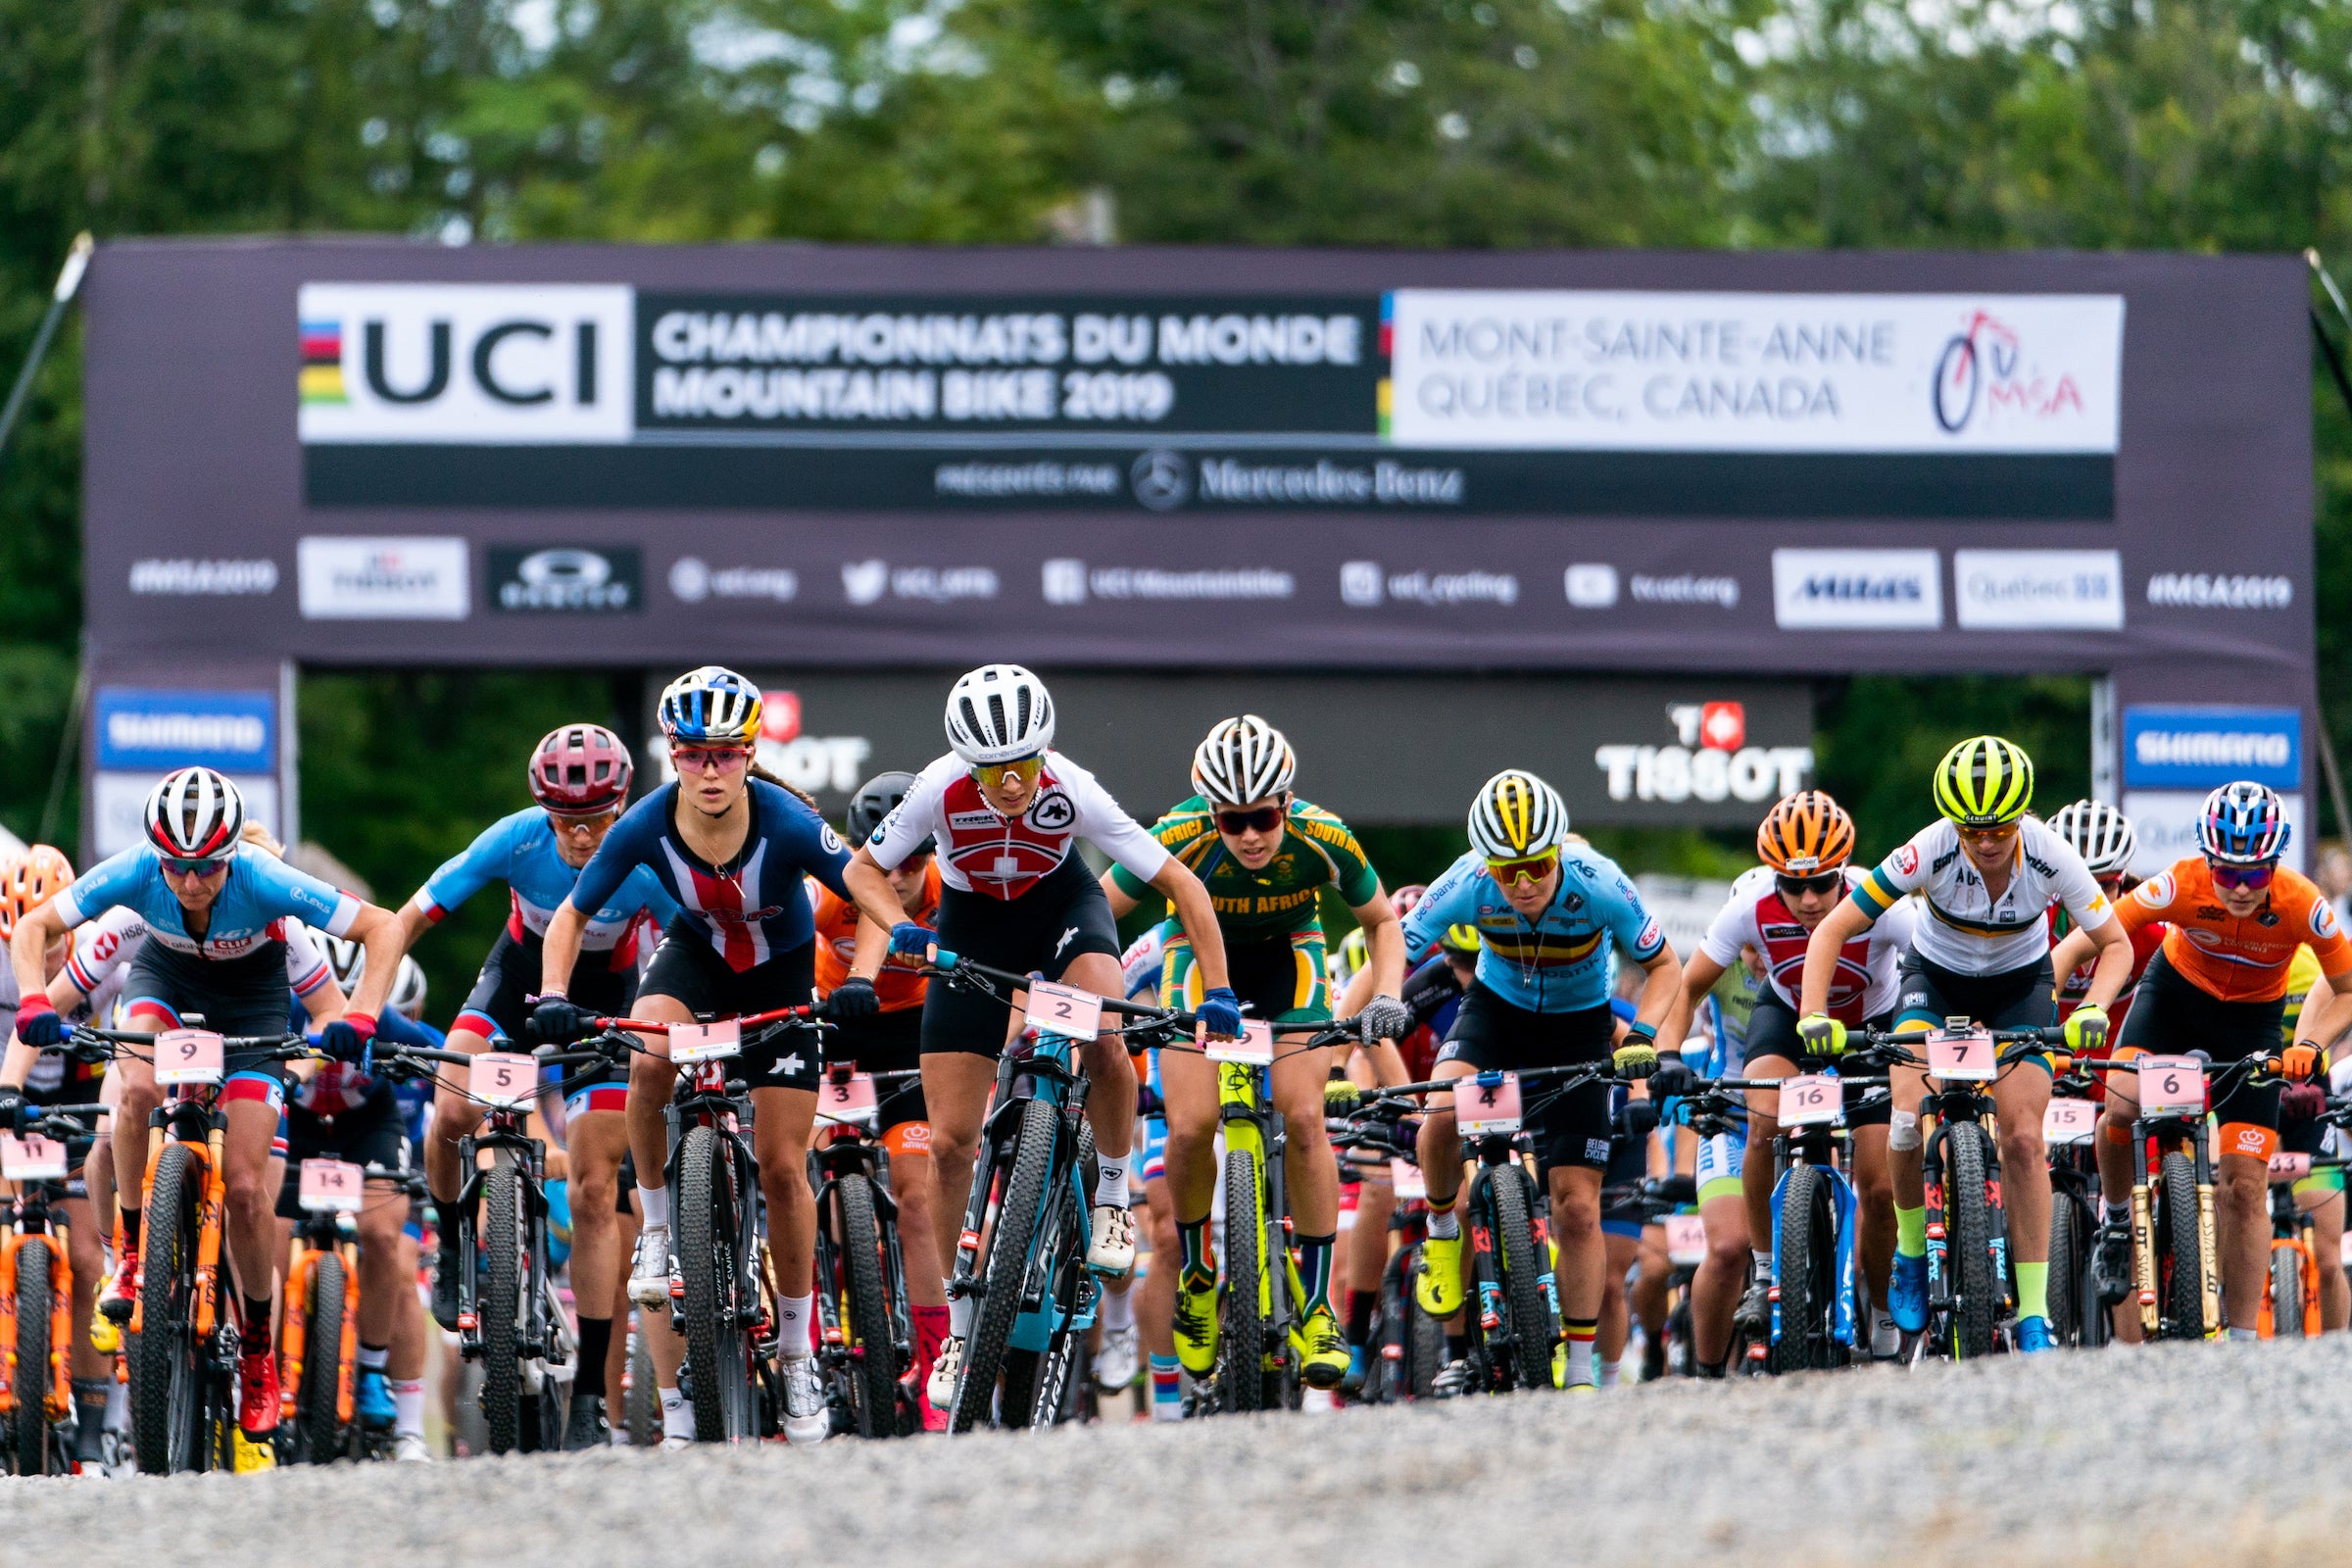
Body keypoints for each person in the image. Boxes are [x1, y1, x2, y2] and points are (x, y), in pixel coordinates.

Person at [841, 663, 1239, 1412]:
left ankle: (1114, 1196)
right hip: (970, 927)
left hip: (1062, 913)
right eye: (995, 771)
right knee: (952, 1142)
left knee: (1108, 1036)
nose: (1013, 784)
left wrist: (1217, 991)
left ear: (1043, 755)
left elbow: (1183, 883)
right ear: (968, 763)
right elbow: (862, 869)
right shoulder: (937, 788)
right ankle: (961, 1329)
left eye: (1023, 765)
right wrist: (900, 929)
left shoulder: (1071, 786)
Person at [530, 668, 912, 1446]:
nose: (710, 772)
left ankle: (800, 1350)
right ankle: (662, 1227)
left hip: (780, 972)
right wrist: (551, 992)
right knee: (645, 1055)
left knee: (780, 1165)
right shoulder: (644, 822)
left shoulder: (790, 819)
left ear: (748, 755)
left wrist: (863, 979)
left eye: (726, 755)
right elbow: (571, 917)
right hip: (698, 961)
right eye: (694, 755)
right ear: (673, 755)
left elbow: (878, 903)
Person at [7, 767, 405, 1468]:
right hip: (167, 979)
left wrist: (359, 1017)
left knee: (250, 1187)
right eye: (178, 868)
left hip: (252, 996)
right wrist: (36, 1001)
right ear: (157, 856)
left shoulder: (265, 883)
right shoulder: (135, 877)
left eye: (207, 869)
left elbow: (382, 927)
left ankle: (256, 1349)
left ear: (231, 857)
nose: (191, 882)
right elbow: (37, 927)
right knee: (130, 1094)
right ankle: (132, 1254)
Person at [1101, 714, 1413, 1390]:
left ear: (1287, 805)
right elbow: (1101, 910)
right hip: (1198, 965)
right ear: (1209, 810)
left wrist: (1385, 993)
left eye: (1264, 818)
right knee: (1188, 1127)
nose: (1248, 835)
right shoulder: (1177, 833)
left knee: (1304, 1120)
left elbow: (1382, 921)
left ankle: (1320, 1304)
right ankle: (1195, 1275)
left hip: (1289, 961)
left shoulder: (1324, 834)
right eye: (1232, 820)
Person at [390, 722, 676, 1450]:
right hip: (516, 986)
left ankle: (587, 1396)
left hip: (607, 1006)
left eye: (596, 822)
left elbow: (693, 948)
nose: (581, 839)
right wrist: (365, 1008)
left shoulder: (644, 856)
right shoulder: (516, 839)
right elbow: (412, 917)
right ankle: (453, 1241)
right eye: (566, 823)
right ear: (542, 810)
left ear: (621, 808)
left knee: (590, 1187)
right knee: (449, 1108)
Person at [1795, 736, 2132, 1352]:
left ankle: (2033, 1311)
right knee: (1902, 1122)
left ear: (2020, 819)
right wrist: (1813, 1014)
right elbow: (1836, 928)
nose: (1984, 842)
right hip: (1935, 982)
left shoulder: (2053, 855)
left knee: (2026, 1139)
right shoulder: (1929, 848)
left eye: (1998, 829)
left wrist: (2092, 1007)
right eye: (1970, 829)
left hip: (2019, 987)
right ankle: (1908, 1249)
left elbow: (2117, 945)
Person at [1394, 769, 1684, 1392]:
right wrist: (1369, 1011)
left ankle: (1579, 1371)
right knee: (1441, 1112)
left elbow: (1665, 967)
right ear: (1486, 864)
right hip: (1497, 1014)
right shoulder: (1469, 880)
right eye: (1506, 871)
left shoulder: (1599, 880)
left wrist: (1641, 1038)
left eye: (1536, 866)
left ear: (1558, 853)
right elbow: (1395, 944)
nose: (1522, 883)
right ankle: (1444, 1230)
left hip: (1579, 1025)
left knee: (1577, 1209)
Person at [2048, 781, 2352, 1337]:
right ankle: (2117, 1225)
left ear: (2275, 866)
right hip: (2172, 1002)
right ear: (2208, 860)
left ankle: (2238, 1337)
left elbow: (2347, 988)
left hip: (2251, 1027)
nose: (2239, 887)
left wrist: (2310, 1046)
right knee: (2119, 1109)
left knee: (2244, 1185)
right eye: (2226, 871)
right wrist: (2047, 1006)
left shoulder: (2302, 902)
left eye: (2254, 873)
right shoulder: (2180, 884)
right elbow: (2084, 940)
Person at [1667, 790, 1915, 1361]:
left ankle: (1881, 1311)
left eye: (1821, 884)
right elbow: (1687, 985)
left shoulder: (1885, 902)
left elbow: (1937, 965)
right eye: (1791, 885)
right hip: (1786, 1017)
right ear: (1771, 879)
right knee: (1763, 1123)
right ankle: (1761, 1271)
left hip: (1868, 1026)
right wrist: (1669, 1054)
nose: (1807, 899)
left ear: (1844, 874)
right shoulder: (1750, 906)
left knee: (1878, 1186)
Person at [809, 771, 950, 1428]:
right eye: (886, 860)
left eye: (914, 860)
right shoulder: (832, 891)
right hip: (835, 1027)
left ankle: (934, 1361)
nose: (897, 877)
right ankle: (827, 1335)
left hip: (912, 1033)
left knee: (917, 1197)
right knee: (818, 1174)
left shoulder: (953, 894)